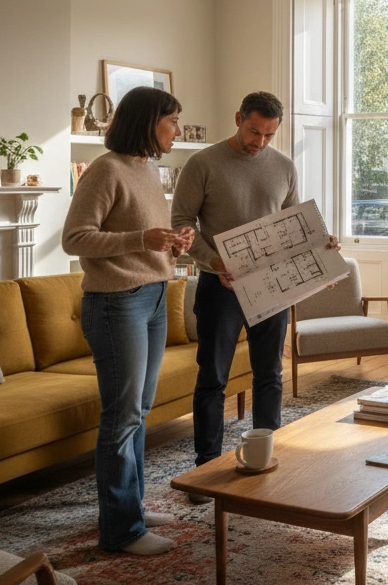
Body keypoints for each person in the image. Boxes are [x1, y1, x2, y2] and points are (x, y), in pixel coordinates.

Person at [171, 91, 338, 490]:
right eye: (253, 131)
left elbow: (294, 226)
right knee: (213, 378)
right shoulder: (203, 163)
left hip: (271, 287)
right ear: (238, 119)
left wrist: (322, 243)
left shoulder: (284, 167)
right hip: (219, 287)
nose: (259, 142)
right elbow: (181, 222)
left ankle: (266, 456)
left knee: (269, 374)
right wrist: (214, 261)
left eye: (268, 135)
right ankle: (205, 468)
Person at [63, 86, 194, 556]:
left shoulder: (148, 169)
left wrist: (173, 242)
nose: (176, 130)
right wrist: (142, 238)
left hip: (154, 297)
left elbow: (142, 238)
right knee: (122, 417)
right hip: (117, 303)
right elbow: (75, 238)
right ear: (147, 121)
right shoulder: (106, 169)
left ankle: (130, 508)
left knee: (138, 412)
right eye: (172, 121)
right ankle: (121, 531)